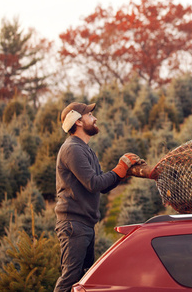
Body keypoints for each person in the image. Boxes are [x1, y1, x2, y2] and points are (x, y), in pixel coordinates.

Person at [54, 102, 142, 292]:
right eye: (90, 115)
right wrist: (120, 168)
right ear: (78, 121)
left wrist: (124, 172)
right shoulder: (72, 149)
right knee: (70, 278)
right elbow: (93, 183)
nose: (94, 118)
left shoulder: (86, 150)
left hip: (84, 225)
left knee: (83, 279)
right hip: (73, 225)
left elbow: (102, 186)